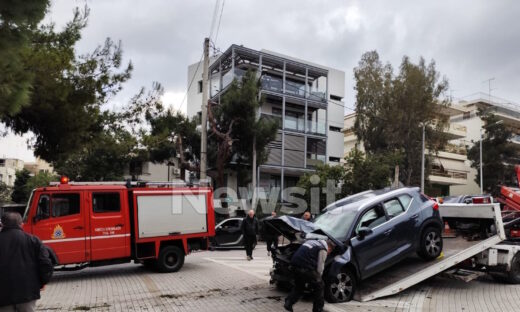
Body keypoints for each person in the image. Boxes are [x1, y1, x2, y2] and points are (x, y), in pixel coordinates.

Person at [0, 212, 54, 312]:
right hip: (28, 293)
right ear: (21, 224)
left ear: (2, 225)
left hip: (3, 296)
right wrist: (42, 282)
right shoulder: (33, 240)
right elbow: (46, 264)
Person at [284, 239, 336, 312]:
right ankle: (318, 309)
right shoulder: (323, 249)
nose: (328, 254)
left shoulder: (312, 242)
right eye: (329, 252)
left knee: (300, 286)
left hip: (294, 265)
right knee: (320, 285)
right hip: (305, 267)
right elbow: (320, 267)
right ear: (329, 248)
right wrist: (318, 278)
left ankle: (288, 302)